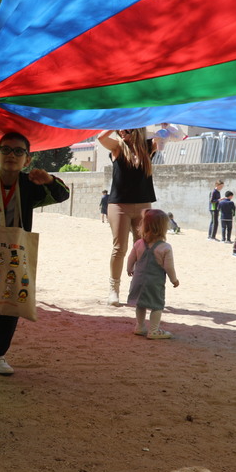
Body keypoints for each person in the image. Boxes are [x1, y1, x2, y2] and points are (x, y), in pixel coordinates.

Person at [0, 131, 70, 375]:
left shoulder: (31, 184)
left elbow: (63, 195)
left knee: (12, 301)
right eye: (6, 150)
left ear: (27, 160)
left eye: (19, 151)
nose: (12, 155)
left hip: (15, 252)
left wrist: (49, 180)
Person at [97, 127, 164, 306]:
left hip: (143, 205)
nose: (122, 132)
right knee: (120, 247)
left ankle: (138, 289)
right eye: (120, 130)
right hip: (119, 205)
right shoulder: (117, 147)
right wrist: (118, 122)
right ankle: (114, 289)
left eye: (126, 129)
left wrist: (158, 127)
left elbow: (165, 137)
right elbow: (100, 137)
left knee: (143, 248)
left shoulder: (148, 147)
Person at [126, 208, 180, 339]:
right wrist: (174, 280)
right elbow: (169, 267)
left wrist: (129, 269)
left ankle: (140, 326)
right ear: (163, 228)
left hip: (138, 280)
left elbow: (131, 258)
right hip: (154, 282)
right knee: (157, 305)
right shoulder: (165, 247)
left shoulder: (139, 243)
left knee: (140, 303)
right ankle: (154, 330)